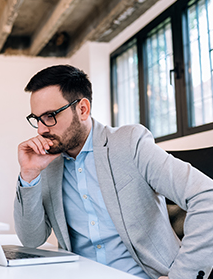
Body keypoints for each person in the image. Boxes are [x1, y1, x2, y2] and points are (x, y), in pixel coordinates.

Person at [14, 64, 213, 279]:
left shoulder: (130, 144)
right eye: (37, 119)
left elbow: (207, 197)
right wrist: (29, 174)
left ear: (82, 109)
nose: (42, 129)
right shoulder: (48, 162)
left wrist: (183, 276)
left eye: (50, 116)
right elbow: (32, 239)